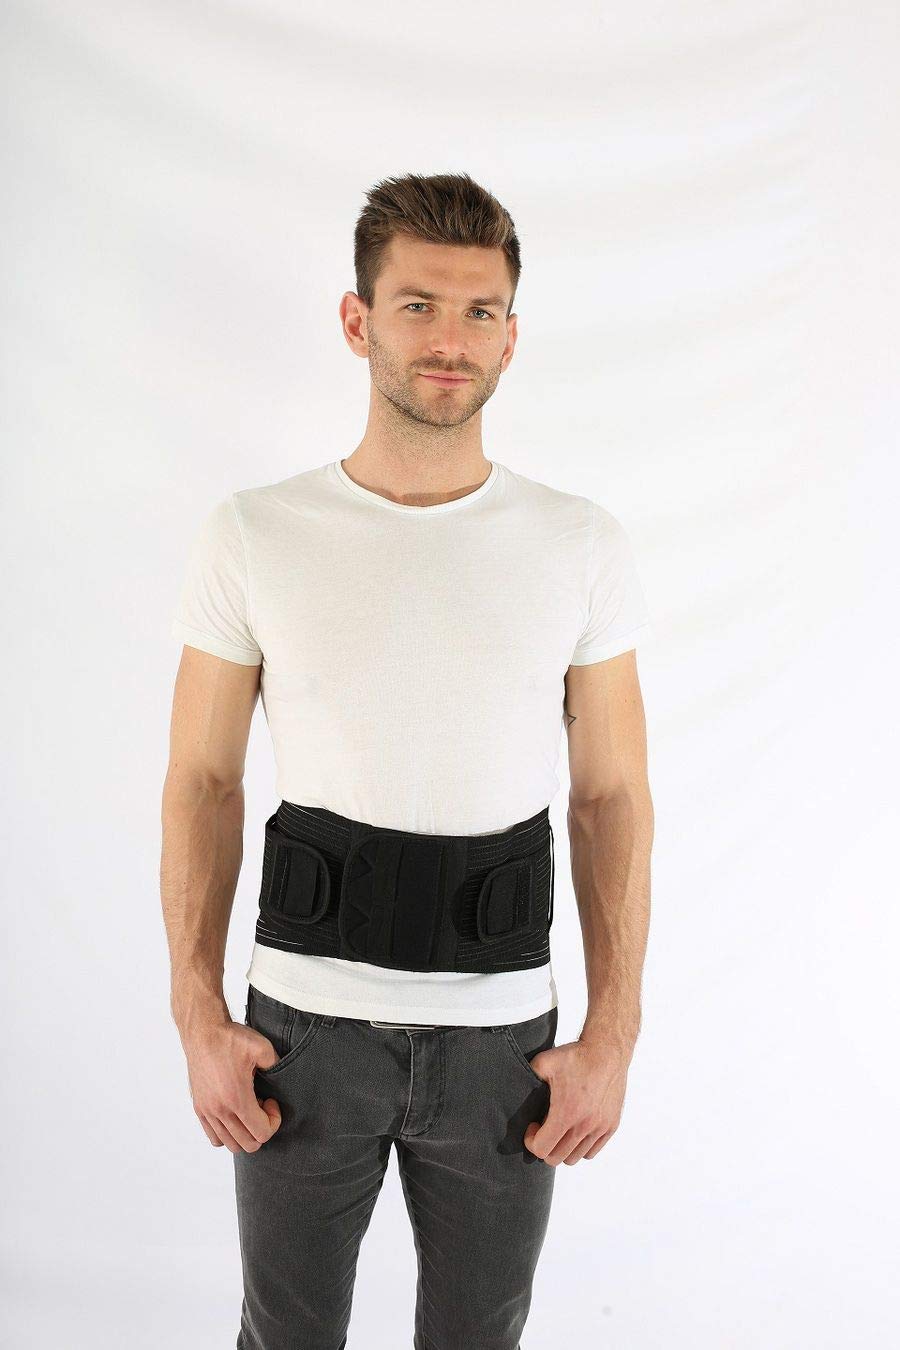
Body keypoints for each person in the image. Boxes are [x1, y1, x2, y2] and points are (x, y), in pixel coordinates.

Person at [161, 171, 654, 1350]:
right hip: (302, 1037)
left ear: (511, 337)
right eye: (419, 305)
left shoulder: (580, 543)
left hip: (506, 1045)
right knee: (284, 1336)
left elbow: (612, 796)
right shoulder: (254, 533)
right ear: (358, 320)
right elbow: (203, 783)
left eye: (480, 311)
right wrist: (196, 1014)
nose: (450, 339)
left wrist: (614, 1035)